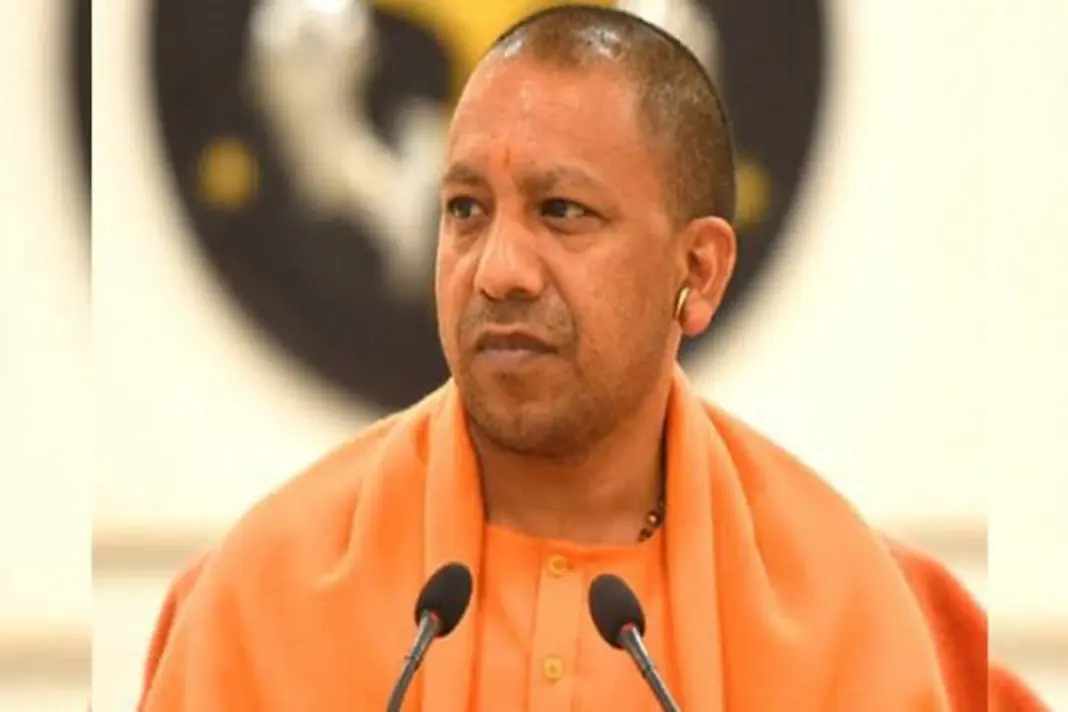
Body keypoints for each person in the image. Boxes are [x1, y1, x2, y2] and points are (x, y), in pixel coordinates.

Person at [136, 5, 1045, 711]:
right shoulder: (265, 599)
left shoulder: (855, 614)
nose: (499, 270)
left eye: (562, 211)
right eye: (465, 210)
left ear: (699, 271)